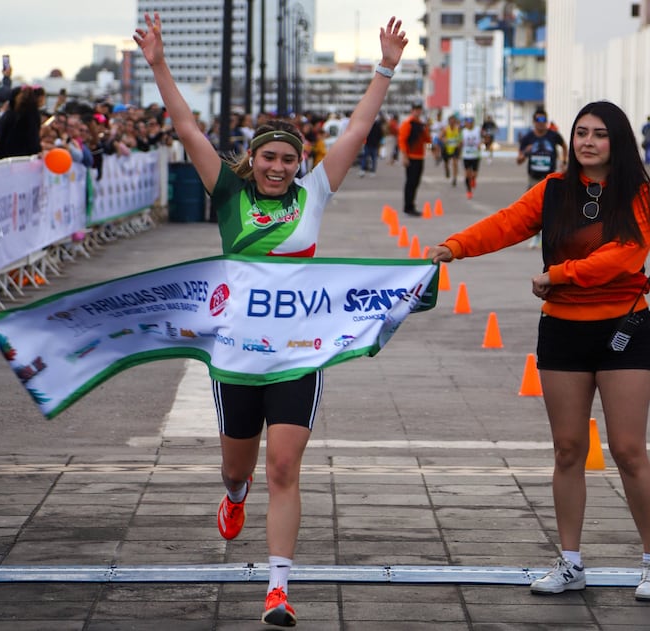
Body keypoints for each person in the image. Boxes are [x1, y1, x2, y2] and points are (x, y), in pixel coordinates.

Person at [134, 11, 408, 627]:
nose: (279, 168)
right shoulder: (228, 194)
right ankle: (234, 497)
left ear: (300, 161)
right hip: (236, 357)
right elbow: (185, 126)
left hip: (298, 354)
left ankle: (278, 588)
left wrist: (385, 66)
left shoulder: (315, 192)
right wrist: (157, 63)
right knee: (240, 467)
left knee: (285, 465)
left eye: (289, 159)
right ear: (252, 161)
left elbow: (360, 129)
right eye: (269, 159)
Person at [426, 101, 650, 602]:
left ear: (619, 141)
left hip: (625, 328)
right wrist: (454, 246)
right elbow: (506, 223)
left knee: (630, 451)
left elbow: (626, 254)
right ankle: (570, 563)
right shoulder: (553, 190)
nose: (588, 142)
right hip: (563, 331)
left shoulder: (639, 193)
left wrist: (559, 275)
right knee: (568, 450)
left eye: (600, 134)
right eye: (581, 133)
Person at [517, 107, 568, 249]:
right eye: (538, 120)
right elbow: (519, 159)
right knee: (534, 210)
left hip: (549, 178)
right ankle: (536, 237)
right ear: (533, 122)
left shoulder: (553, 135)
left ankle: (552, 236)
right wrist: (526, 152)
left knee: (552, 208)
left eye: (543, 120)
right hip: (533, 178)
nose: (541, 123)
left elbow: (564, 146)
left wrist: (564, 161)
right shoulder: (528, 138)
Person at [398, 102, 431, 216]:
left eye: (419, 109)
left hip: (420, 156)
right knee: (410, 183)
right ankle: (408, 207)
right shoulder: (408, 123)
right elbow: (402, 140)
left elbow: (427, 139)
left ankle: (412, 205)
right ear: (412, 111)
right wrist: (404, 156)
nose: (418, 111)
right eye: (416, 109)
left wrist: (427, 129)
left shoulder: (421, 124)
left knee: (416, 182)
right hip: (411, 157)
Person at [460, 116, 482, 200]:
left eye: (471, 123)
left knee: (474, 174)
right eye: (468, 123)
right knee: (467, 174)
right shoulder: (463, 132)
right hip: (466, 155)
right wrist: (460, 144)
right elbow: (460, 141)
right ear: (466, 123)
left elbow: (482, 139)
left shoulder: (477, 130)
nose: (469, 124)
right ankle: (469, 191)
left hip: (475, 155)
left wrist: (481, 144)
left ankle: (473, 179)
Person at [440, 114, 461, 186]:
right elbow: (440, 137)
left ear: (455, 122)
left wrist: (459, 143)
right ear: (449, 122)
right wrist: (444, 139)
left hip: (455, 148)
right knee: (446, 163)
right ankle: (447, 170)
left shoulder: (457, 129)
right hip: (447, 148)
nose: (452, 122)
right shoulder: (445, 129)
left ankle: (454, 178)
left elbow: (460, 138)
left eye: (453, 121)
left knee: (455, 163)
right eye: (451, 121)